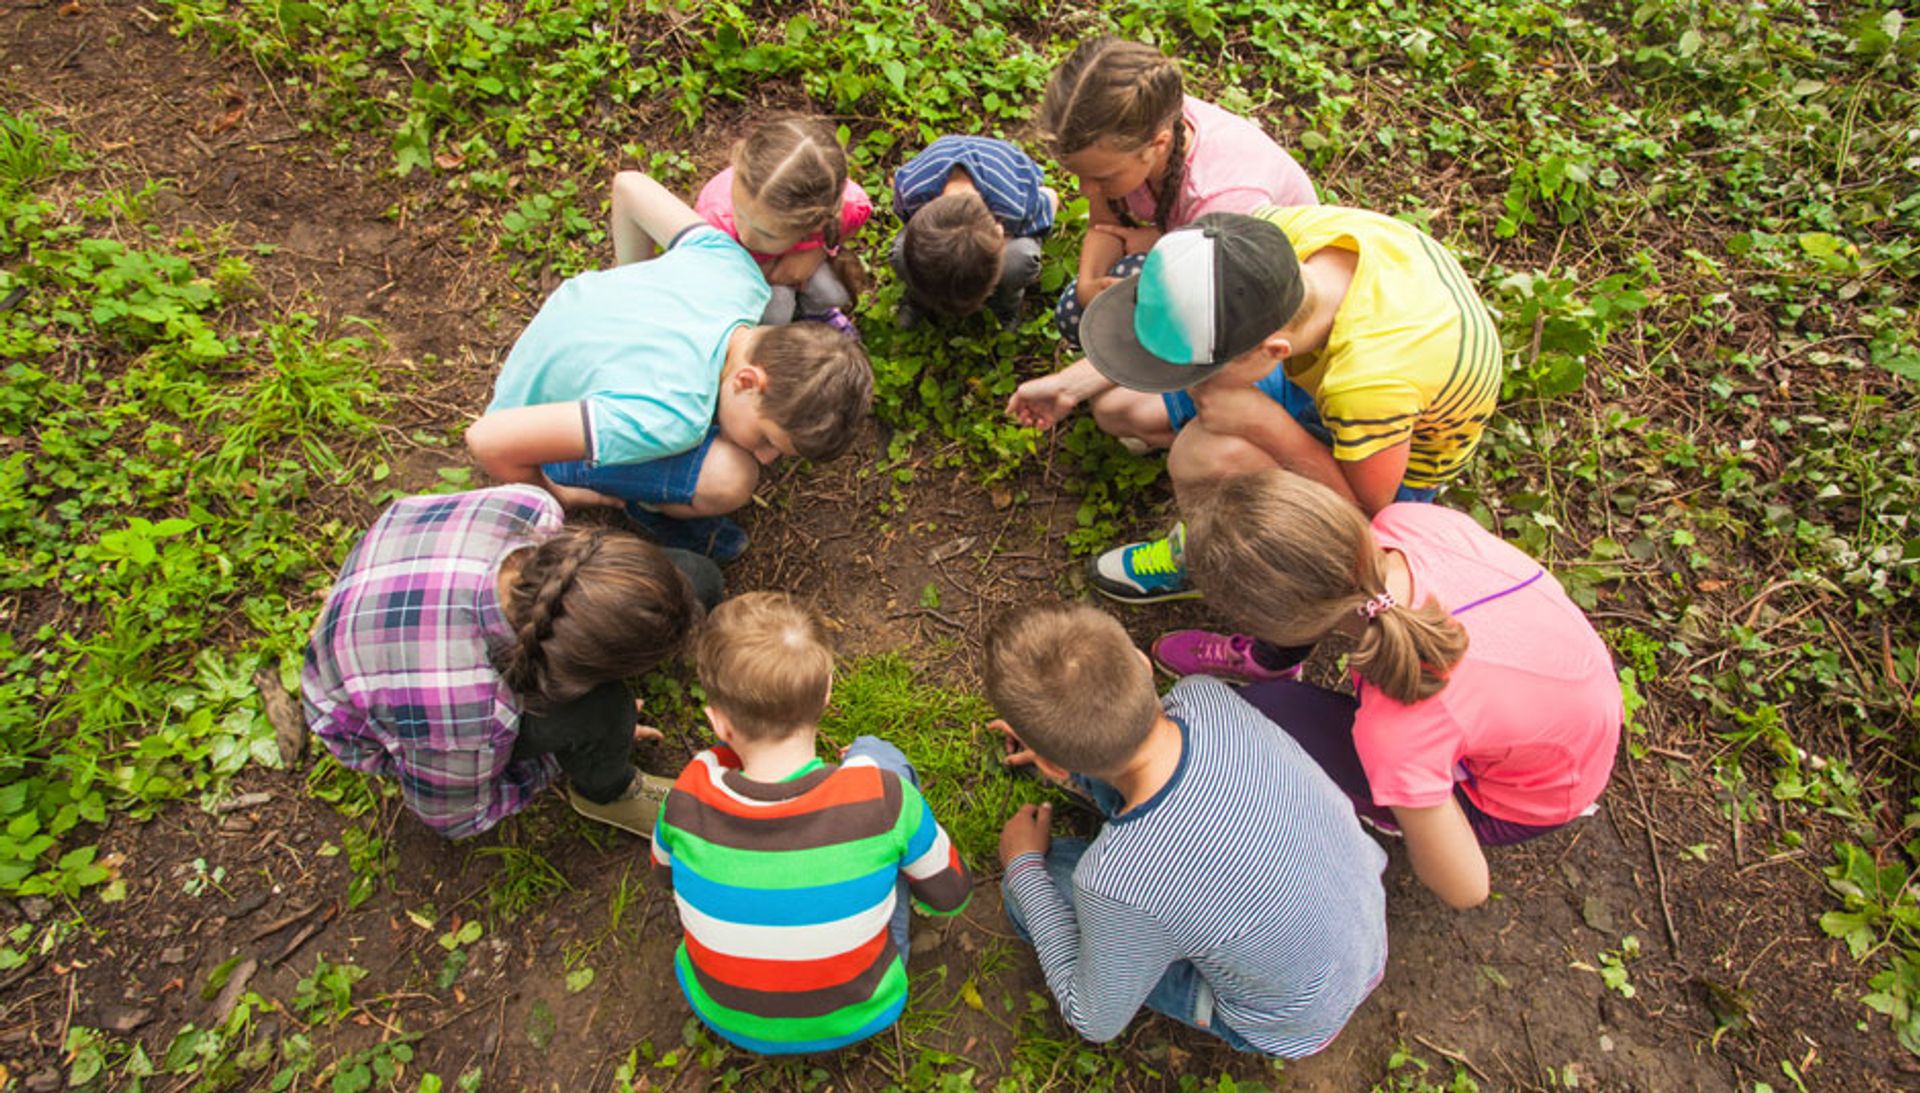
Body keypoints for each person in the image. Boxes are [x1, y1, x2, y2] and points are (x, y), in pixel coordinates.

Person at [1007, 208, 1500, 610]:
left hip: (1393, 476)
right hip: (1330, 390)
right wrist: (1072, 384)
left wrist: (1268, 427)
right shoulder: (1267, 245)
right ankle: (1239, 463)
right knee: (1121, 409)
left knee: (1203, 456)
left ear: (1271, 355)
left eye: (1193, 363)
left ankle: (1208, 558)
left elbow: (1371, 513)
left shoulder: (1368, 384)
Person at [1181, 471, 1623, 908]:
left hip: (1518, 801)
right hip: (1575, 715)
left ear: (1284, 624)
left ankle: (1393, 807)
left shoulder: (1399, 725)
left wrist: (1418, 803)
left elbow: (1467, 889)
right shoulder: (1410, 524)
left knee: (1254, 713)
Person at [986, 602, 1387, 1056]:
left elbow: (1091, 1018)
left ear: (1052, 767)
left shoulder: (1115, 883)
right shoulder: (1205, 697)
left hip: (1293, 1021)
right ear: (1139, 661)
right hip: (1360, 919)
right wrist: (1064, 754)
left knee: (1044, 879)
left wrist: (1022, 867)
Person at [466, 169, 872, 564]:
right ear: (749, 380)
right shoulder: (672, 416)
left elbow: (630, 185)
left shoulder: (739, 272)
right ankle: (645, 507)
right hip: (532, 427)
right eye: (768, 438)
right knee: (732, 477)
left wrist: (630, 276)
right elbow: (487, 439)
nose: (766, 457)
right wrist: (554, 494)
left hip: (555, 342)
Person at [651, 593, 972, 1054]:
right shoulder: (882, 796)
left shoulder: (684, 798)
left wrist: (717, 760)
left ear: (717, 721)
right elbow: (952, 895)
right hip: (862, 1011)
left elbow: (663, 876)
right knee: (881, 757)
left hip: (724, 1013)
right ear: (826, 693)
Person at [301, 485, 720, 839]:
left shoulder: (529, 509)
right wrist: (555, 758)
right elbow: (457, 817)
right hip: (389, 700)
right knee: (606, 713)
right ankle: (606, 792)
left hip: (397, 586)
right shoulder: (470, 712)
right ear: (568, 669)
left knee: (696, 577)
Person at [1036, 37, 1316, 348]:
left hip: (1252, 286)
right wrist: (1089, 284)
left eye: (1101, 178)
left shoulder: (1223, 197)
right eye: (1079, 176)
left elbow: (1215, 306)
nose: (1087, 190)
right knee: (1079, 312)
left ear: (1158, 144)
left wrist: (1162, 242)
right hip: (1195, 243)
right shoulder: (1137, 125)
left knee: (1130, 315)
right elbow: (1104, 227)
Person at [694, 116, 874, 326]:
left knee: (834, 293)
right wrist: (772, 274)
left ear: (815, 223)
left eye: (768, 234)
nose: (745, 235)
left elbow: (844, 228)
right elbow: (711, 287)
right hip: (745, 279)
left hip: (793, 258)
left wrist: (818, 251)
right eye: (739, 214)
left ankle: (815, 316)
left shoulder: (848, 204)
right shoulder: (715, 223)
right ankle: (769, 336)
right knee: (777, 310)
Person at [890, 134, 1058, 329]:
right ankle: (919, 298)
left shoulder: (1014, 205)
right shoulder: (912, 192)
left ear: (999, 230)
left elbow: (1051, 197)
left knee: (1018, 260)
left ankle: (1004, 306)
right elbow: (905, 216)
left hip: (1003, 194)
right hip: (942, 203)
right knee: (903, 253)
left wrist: (1001, 243)